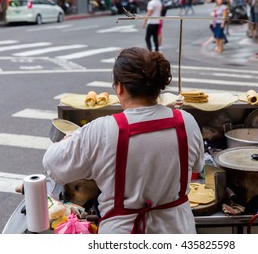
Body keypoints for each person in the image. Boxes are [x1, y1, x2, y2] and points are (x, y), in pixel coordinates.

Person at [43, 47, 205, 234]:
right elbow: (198, 167)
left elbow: (51, 164)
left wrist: (68, 139)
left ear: (119, 87)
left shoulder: (102, 130)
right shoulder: (187, 122)